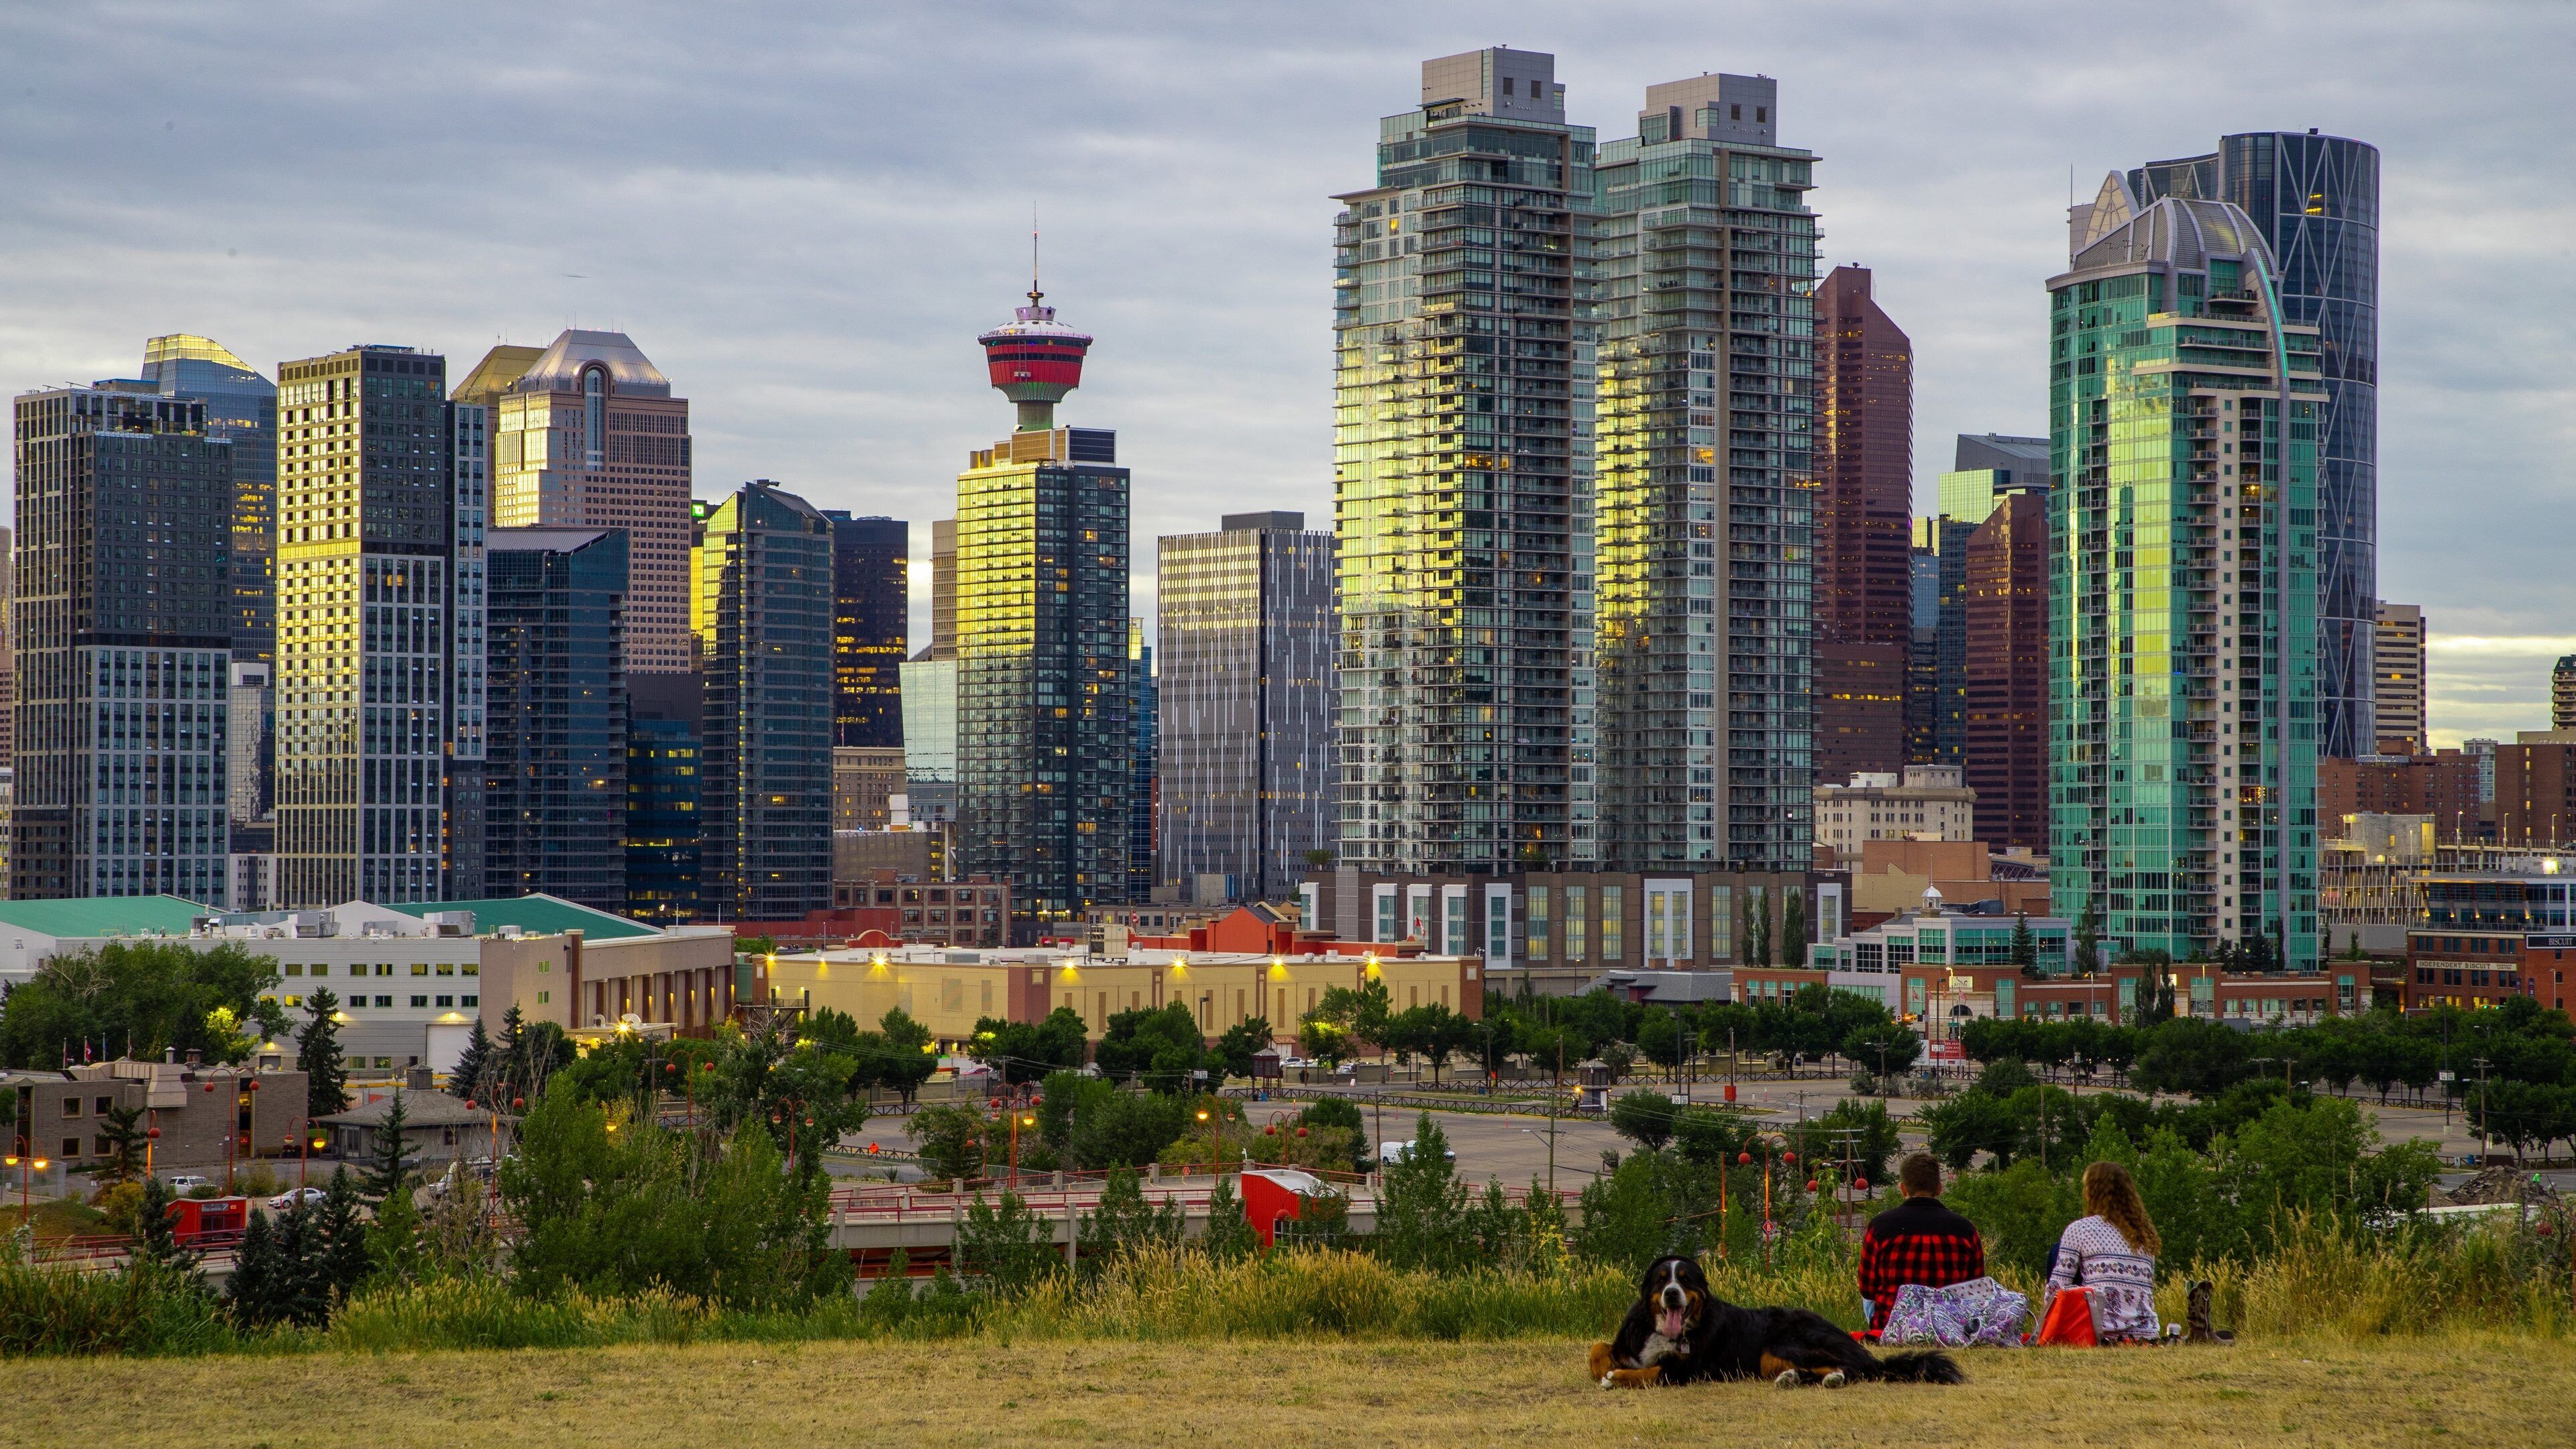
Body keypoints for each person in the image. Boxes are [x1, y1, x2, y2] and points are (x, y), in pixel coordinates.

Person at [1856, 1152, 1987, 1333]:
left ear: (1903, 1189)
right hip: (1950, 1327)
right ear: (1940, 1188)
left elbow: (1867, 1288)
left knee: (1869, 1300)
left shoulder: (1879, 1227)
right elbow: (1975, 1289)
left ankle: (1880, 1329)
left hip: (1894, 1326)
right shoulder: (1966, 1230)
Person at [2043, 1161, 2161, 1342]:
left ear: (2091, 1193)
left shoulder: (2080, 1229)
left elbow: (2055, 1292)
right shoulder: (2144, 1235)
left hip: (2100, 1332)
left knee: (2056, 1250)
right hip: (2147, 1334)